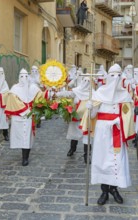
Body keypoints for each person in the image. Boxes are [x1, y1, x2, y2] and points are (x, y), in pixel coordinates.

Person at [84, 63, 135, 205]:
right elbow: (93, 115)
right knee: (102, 160)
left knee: (117, 161)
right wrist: (90, 108)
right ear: (108, 76)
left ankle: (114, 189)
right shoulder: (99, 93)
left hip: (117, 130)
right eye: (113, 75)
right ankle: (104, 191)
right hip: (102, 133)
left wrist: (121, 119)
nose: (116, 78)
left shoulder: (124, 95)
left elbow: (127, 114)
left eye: (119, 75)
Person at [4, 68, 48, 166]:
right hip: (18, 117)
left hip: (29, 117)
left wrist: (49, 92)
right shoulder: (15, 89)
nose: (24, 78)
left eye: (26, 76)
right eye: (22, 76)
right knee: (20, 136)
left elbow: (40, 96)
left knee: (27, 137)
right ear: (19, 77)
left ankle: (25, 158)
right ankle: (23, 155)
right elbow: (13, 101)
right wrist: (25, 110)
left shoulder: (32, 88)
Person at [56, 77, 94, 164]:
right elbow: (68, 94)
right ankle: (72, 149)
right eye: (85, 80)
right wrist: (58, 94)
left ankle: (87, 155)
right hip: (76, 118)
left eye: (88, 81)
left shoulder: (92, 94)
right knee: (74, 135)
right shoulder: (76, 91)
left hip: (87, 119)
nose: (86, 83)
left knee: (87, 138)